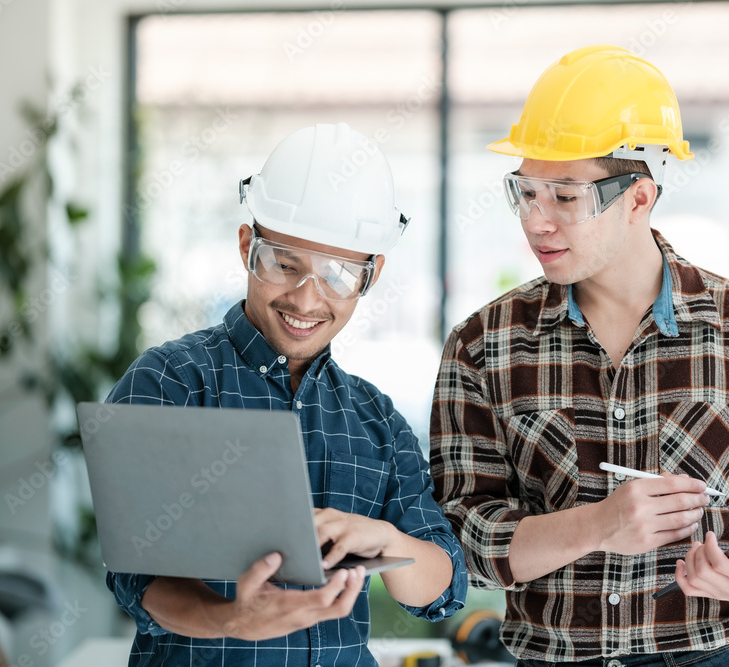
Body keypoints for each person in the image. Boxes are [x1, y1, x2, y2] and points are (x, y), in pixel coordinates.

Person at [430, 45, 729, 666]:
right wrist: (598, 525)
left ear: (638, 199)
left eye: (565, 197)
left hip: (714, 655)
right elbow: (460, 541)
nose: (536, 221)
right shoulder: (483, 346)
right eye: (526, 192)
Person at [105, 122, 466, 666]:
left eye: (339, 276)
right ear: (249, 246)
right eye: (284, 264)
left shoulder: (376, 420)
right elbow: (137, 579)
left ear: (370, 277)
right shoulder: (170, 383)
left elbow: (443, 589)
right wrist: (233, 620)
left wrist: (385, 539)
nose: (306, 298)